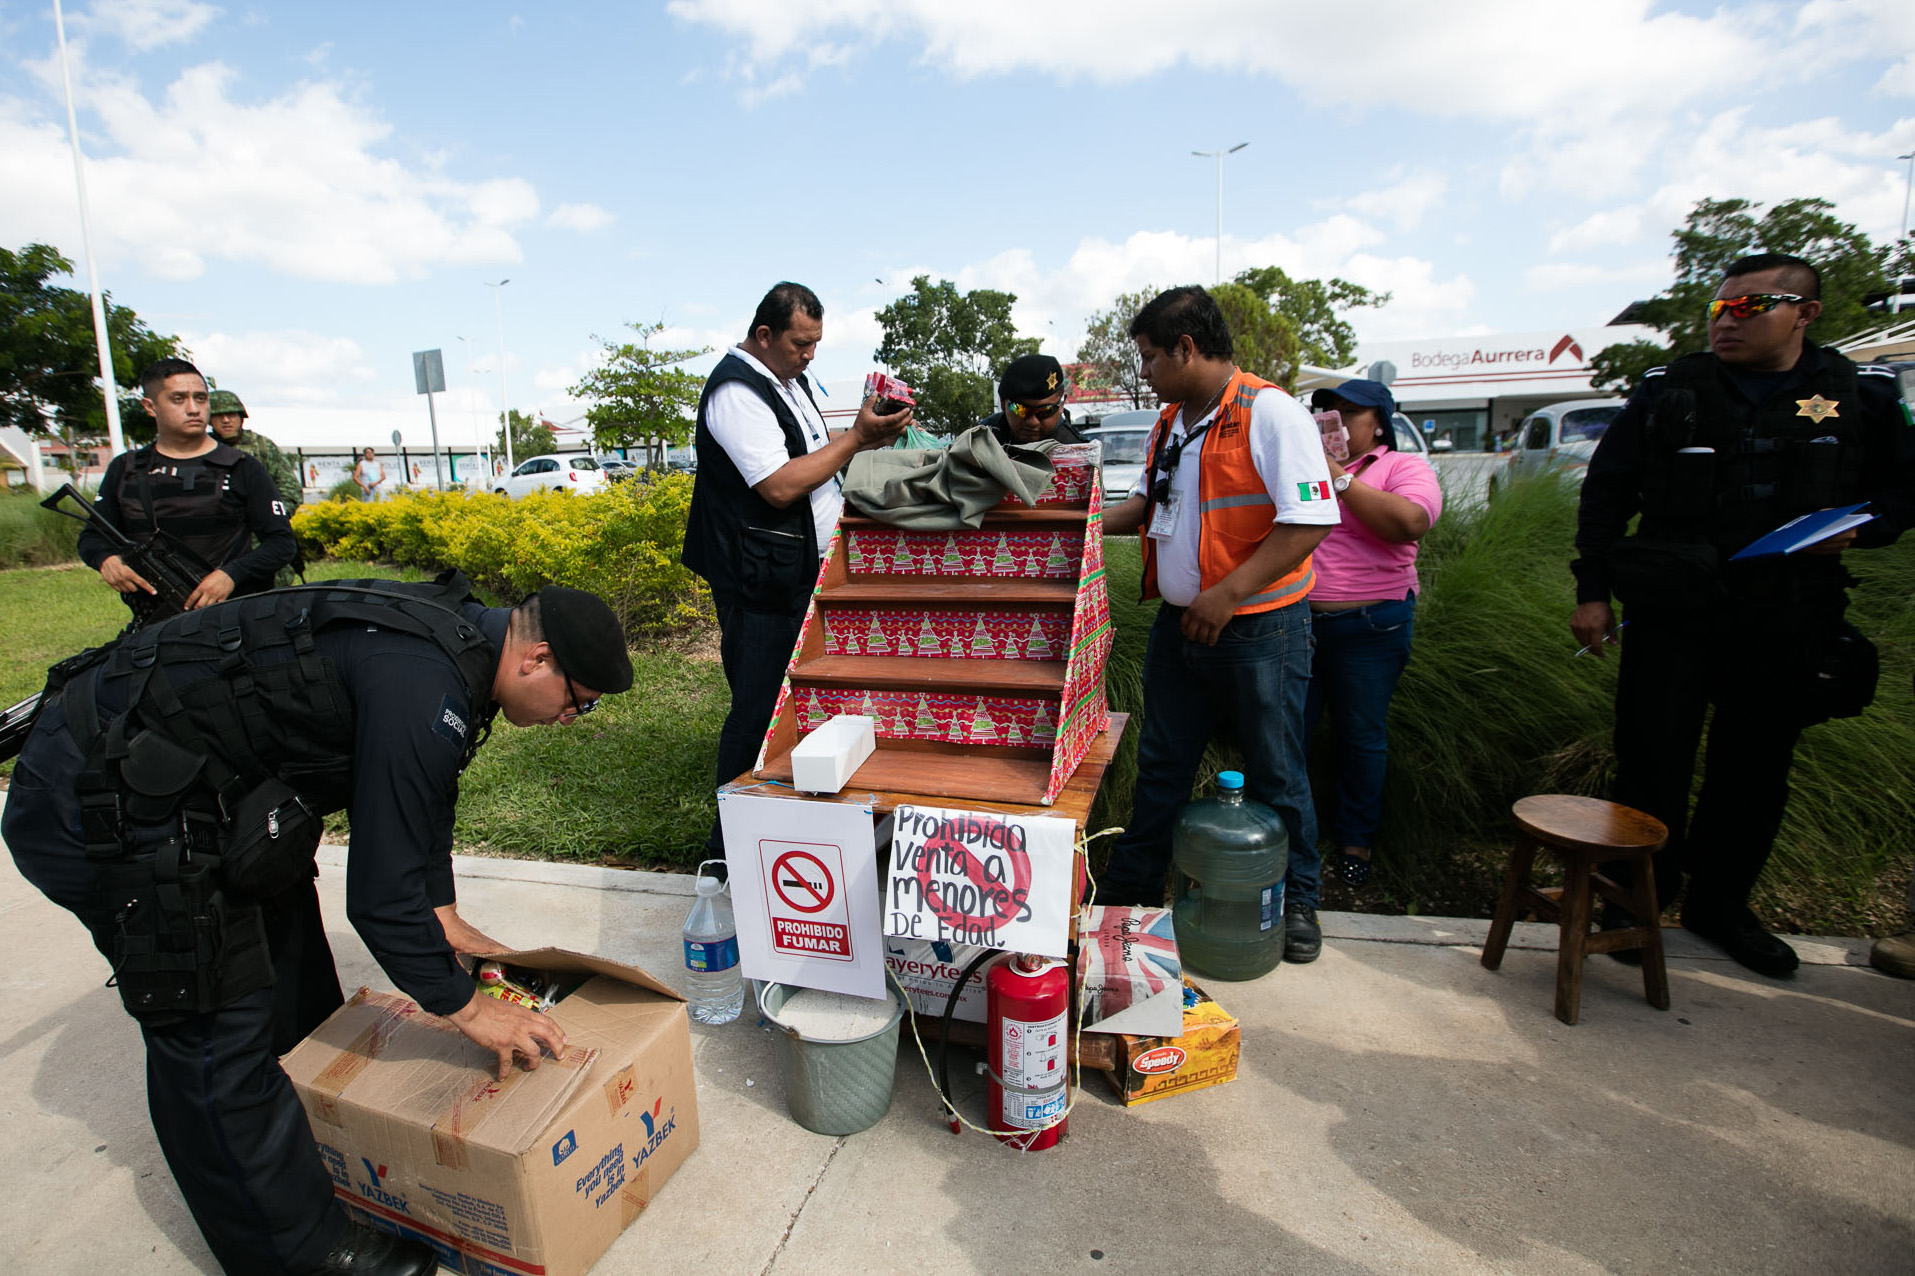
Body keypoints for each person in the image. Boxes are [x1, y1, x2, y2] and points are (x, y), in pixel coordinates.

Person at [2, 575, 634, 1275]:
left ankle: (322, 1147)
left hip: (198, 791)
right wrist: (467, 1009)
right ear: (537, 659)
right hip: (97, 802)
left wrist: (442, 911)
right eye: (581, 700)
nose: (573, 716)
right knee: (216, 1028)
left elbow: (418, 787)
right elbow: (378, 899)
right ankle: (296, 1253)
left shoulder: (460, 643)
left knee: (295, 989)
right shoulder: (422, 679)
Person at [1571, 252, 1915, 978]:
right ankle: (1636, 905)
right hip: (1673, 612)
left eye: (1747, 307)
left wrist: (1869, 526)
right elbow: (1606, 492)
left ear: (1804, 313)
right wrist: (1592, 590)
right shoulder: (1672, 391)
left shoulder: (1861, 394)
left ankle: (1720, 908)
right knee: (1649, 761)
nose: (1725, 320)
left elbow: (1905, 490)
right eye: (1718, 308)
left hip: (1786, 614)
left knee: (1753, 770)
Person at [1099, 286, 1340, 963]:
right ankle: (1131, 891)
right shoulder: (1172, 422)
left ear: (1185, 347)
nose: (1143, 374)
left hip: (1258, 631)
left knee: (1276, 770)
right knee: (1161, 767)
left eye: (1149, 359)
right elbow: (1147, 507)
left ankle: (1295, 902)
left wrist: (1226, 595)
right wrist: (1071, 524)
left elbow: (1310, 520)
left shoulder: (1271, 413)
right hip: (1182, 628)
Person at [682, 282, 911, 859]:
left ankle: (798, 829)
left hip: (795, 571)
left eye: (815, 344)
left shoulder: (788, 380)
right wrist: (857, 439)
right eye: (800, 343)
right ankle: (725, 851)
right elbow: (780, 484)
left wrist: (865, 434)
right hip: (761, 582)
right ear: (764, 335)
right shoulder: (737, 392)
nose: (810, 355)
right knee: (759, 711)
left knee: (804, 706)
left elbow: (810, 451)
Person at [1304, 378, 1442, 888]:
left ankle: (1355, 841)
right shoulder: (1306, 466)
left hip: (1371, 626)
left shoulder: (1403, 467)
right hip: (1303, 624)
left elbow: (1409, 521)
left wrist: (1338, 475)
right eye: (1326, 414)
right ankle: (1294, 840)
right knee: (1289, 733)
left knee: (1359, 735)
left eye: (1347, 414)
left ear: (1379, 422)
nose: (1333, 423)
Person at [79, 357, 296, 624]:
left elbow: (281, 543)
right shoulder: (126, 469)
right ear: (150, 406)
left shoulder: (242, 467)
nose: (194, 409)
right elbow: (92, 536)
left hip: (235, 619)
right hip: (155, 622)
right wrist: (106, 559)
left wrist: (231, 575)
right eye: (178, 399)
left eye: (201, 399)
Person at [209, 389, 302, 511]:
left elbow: (289, 489)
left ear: (241, 417)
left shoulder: (262, 446)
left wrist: (273, 517)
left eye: (231, 414)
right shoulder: (199, 448)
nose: (226, 420)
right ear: (209, 420)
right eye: (219, 415)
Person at [983, 353, 1089, 447]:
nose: (1033, 422)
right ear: (1003, 403)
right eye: (1020, 409)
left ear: (1061, 404)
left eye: (1046, 411)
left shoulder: (1074, 451)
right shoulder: (983, 439)